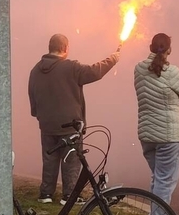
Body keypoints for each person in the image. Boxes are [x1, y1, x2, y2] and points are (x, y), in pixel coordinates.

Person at [28, 34, 121, 205]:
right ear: (65, 48)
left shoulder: (35, 70)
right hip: (69, 124)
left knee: (50, 159)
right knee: (71, 159)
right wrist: (113, 59)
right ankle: (69, 195)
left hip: (47, 124)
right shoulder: (70, 67)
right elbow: (95, 71)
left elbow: (32, 95)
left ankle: (46, 194)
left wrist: (38, 114)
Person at [133, 33, 179, 215]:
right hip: (169, 135)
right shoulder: (172, 71)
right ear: (169, 49)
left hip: (147, 133)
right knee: (165, 180)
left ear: (150, 47)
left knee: (159, 178)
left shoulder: (138, 69)